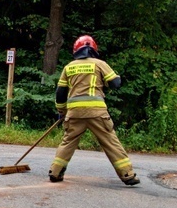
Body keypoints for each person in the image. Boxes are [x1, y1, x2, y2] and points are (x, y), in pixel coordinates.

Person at [49, 35, 139, 186]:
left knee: (68, 141)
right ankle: (127, 174)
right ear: (94, 49)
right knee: (110, 141)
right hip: (97, 113)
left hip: (74, 113)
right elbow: (115, 83)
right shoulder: (99, 64)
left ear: (76, 50)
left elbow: (60, 92)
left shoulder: (69, 67)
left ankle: (55, 172)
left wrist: (61, 110)